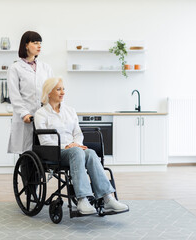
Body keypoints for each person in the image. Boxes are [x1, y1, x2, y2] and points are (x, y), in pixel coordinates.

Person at [34, 77, 129, 215]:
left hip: (74, 149)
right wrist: (67, 147)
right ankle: (82, 199)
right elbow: (45, 140)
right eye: (58, 89)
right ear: (49, 93)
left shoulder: (70, 111)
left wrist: (76, 144)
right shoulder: (41, 114)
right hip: (55, 152)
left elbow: (78, 133)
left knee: (90, 153)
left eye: (63, 89)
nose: (63, 92)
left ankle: (108, 198)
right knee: (76, 152)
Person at [7, 31, 53, 154]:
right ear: (26, 45)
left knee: (45, 152)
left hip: (43, 116)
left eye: (40, 43)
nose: (39, 46)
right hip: (26, 118)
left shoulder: (45, 68)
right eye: (35, 43)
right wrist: (24, 114)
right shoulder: (15, 68)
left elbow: (51, 91)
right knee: (27, 154)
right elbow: (14, 94)